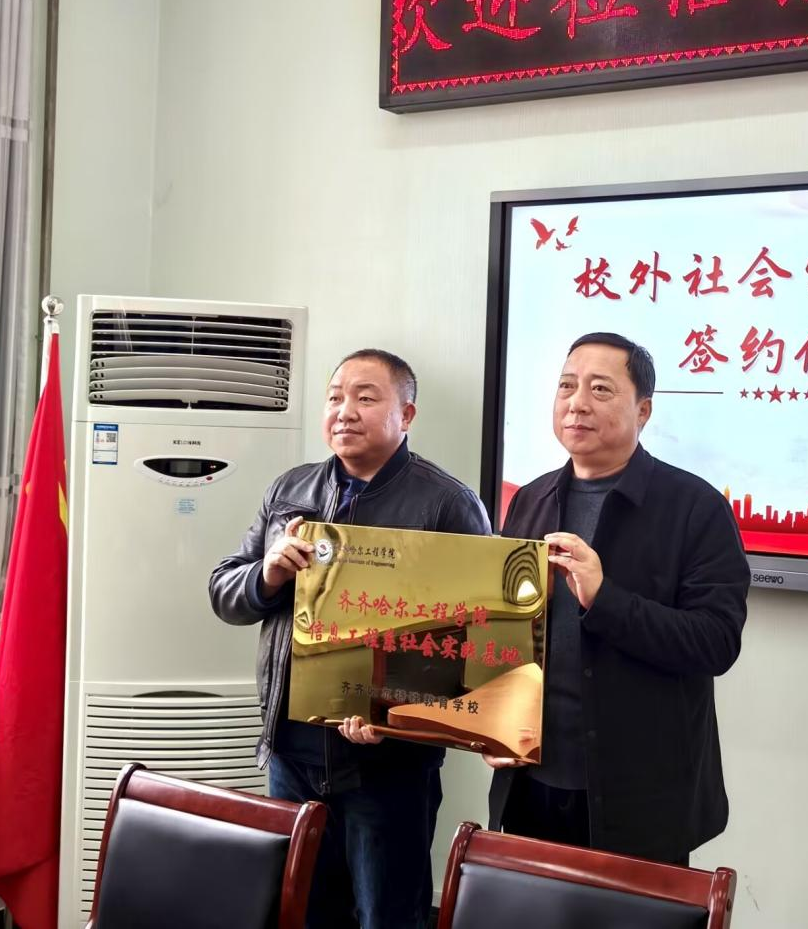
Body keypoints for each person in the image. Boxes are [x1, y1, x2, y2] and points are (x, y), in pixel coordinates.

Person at [209, 348, 490, 929]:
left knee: (386, 914)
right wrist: (268, 574)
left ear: (406, 415)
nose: (345, 411)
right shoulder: (291, 490)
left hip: (388, 765)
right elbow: (224, 591)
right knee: (301, 909)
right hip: (291, 752)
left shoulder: (447, 503)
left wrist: (393, 714)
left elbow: (476, 643)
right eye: (335, 397)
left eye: (366, 397)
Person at [487, 332, 750, 866]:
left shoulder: (695, 508)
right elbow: (504, 632)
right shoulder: (531, 500)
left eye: (600, 389)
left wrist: (604, 598)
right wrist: (491, 723)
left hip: (641, 797)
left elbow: (716, 643)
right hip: (531, 783)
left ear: (643, 410)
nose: (577, 402)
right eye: (567, 386)